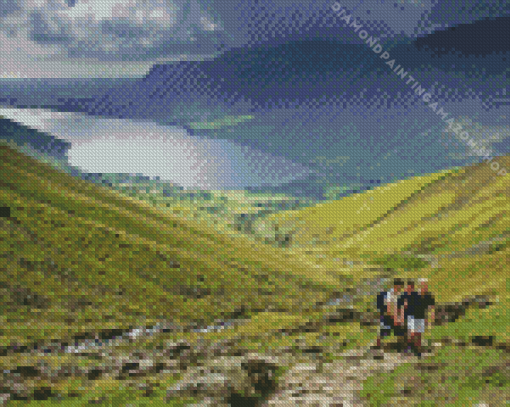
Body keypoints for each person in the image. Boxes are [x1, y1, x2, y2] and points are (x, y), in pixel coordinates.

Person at [398, 278, 436, 357]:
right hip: (411, 316)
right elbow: (404, 304)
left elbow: (429, 305)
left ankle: (417, 351)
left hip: (420, 316)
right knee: (411, 334)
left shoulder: (425, 295)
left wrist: (429, 317)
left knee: (418, 334)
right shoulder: (414, 294)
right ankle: (410, 349)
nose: (424, 287)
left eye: (425, 285)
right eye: (422, 285)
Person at [375, 278, 405, 349]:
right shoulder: (389, 294)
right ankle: (378, 344)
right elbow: (388, 307)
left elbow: (399, 307)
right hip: (387, 316)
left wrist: (399, 316)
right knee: (384, 330)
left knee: (400, 329)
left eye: (401, 287)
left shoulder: (399, 294)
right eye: (399, 287)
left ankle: (399, 344)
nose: (400, 288)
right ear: (395, 286)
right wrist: (393, 316)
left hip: (394, 315)